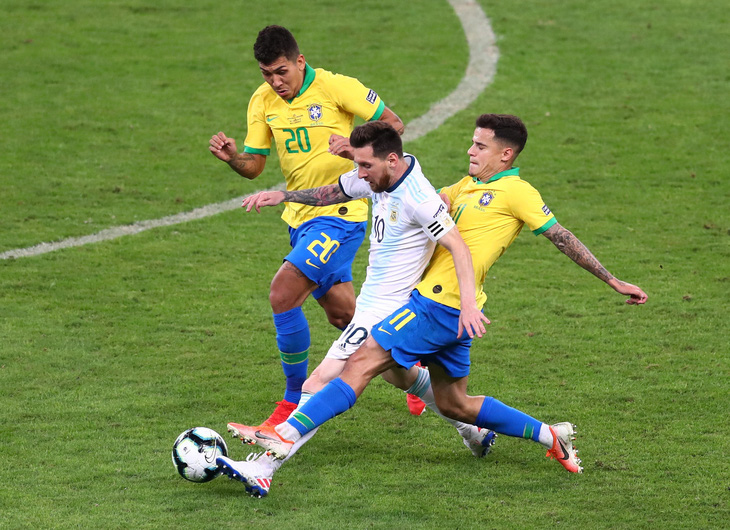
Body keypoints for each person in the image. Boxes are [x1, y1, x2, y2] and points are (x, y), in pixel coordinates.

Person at [227, 114, 649, 483]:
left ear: (505, 155)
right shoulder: (465, 185)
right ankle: (547, 435)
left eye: (480, 145)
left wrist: (612, 281)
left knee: (354, 367)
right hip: (440, 307)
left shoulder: (517, 193)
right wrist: (341, 171)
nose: (470, 150)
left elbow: (557, 236)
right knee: (455, 403)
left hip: (438, 306)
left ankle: (273, 452)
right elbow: (409, 191)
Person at [218, 121, 496, 497]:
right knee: (400, 377)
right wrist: (283, 197)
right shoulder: (380, 174)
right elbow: (333, 192)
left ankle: (263, 469)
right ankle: (473, 429)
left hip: (387, 309)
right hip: (371, 299)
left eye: (365, 165)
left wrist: (467, 306)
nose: (359, 173)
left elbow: (459, 248)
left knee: (319, 381)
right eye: (358, 164)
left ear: (392, 160)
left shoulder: (419, 197)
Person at [209, 25, 405, 426]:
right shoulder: (262, 101)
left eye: (282, 71)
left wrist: (354, 150)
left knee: (283, 293)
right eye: (267, 74)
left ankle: (290, 402)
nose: (275, 82)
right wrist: (233, 158)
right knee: (346, 318)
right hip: (299, 216)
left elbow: (394, 126)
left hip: (341, 215)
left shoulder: (336, 87)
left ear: (300, 61)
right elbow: (255, 165)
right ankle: (415, 369)